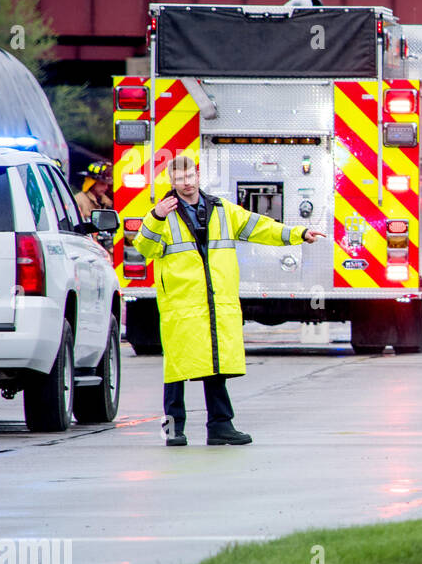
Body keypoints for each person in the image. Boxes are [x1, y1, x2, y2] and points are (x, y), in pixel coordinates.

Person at [132, 155, 326, 446]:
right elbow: (144, 247)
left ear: (197, 176)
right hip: (181, 305)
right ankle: (173, 430)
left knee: (215, 366)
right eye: (179, 179)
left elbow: (259, 227)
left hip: (214, 302)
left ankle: (221, 426)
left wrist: (298, 234)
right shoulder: (161, 215)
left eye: (189, 177)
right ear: (171, 181)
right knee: (176, 371)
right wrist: (157, 216)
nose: (185, 184)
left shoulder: (221, 210)